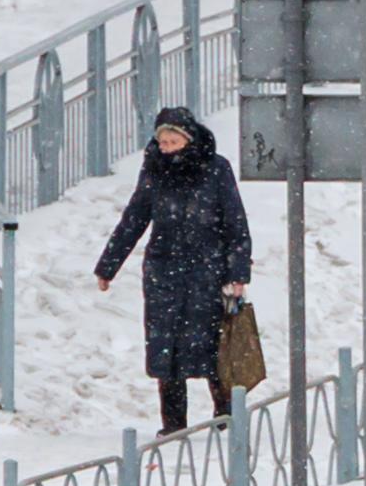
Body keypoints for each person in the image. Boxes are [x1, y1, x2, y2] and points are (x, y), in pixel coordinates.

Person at [95, 108, 251, 435]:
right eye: (162, 141)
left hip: (209, 272)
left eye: (172, 140)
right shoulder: (154, 170)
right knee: (166, 351)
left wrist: (237, 273)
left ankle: (226, 416)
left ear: (188, 138)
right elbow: (134, 219)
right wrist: (108, 266)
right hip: (164, 272)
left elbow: (235, 221)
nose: (166, 147)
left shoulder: (215, 168)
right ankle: (173, 425)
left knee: (215, 345)